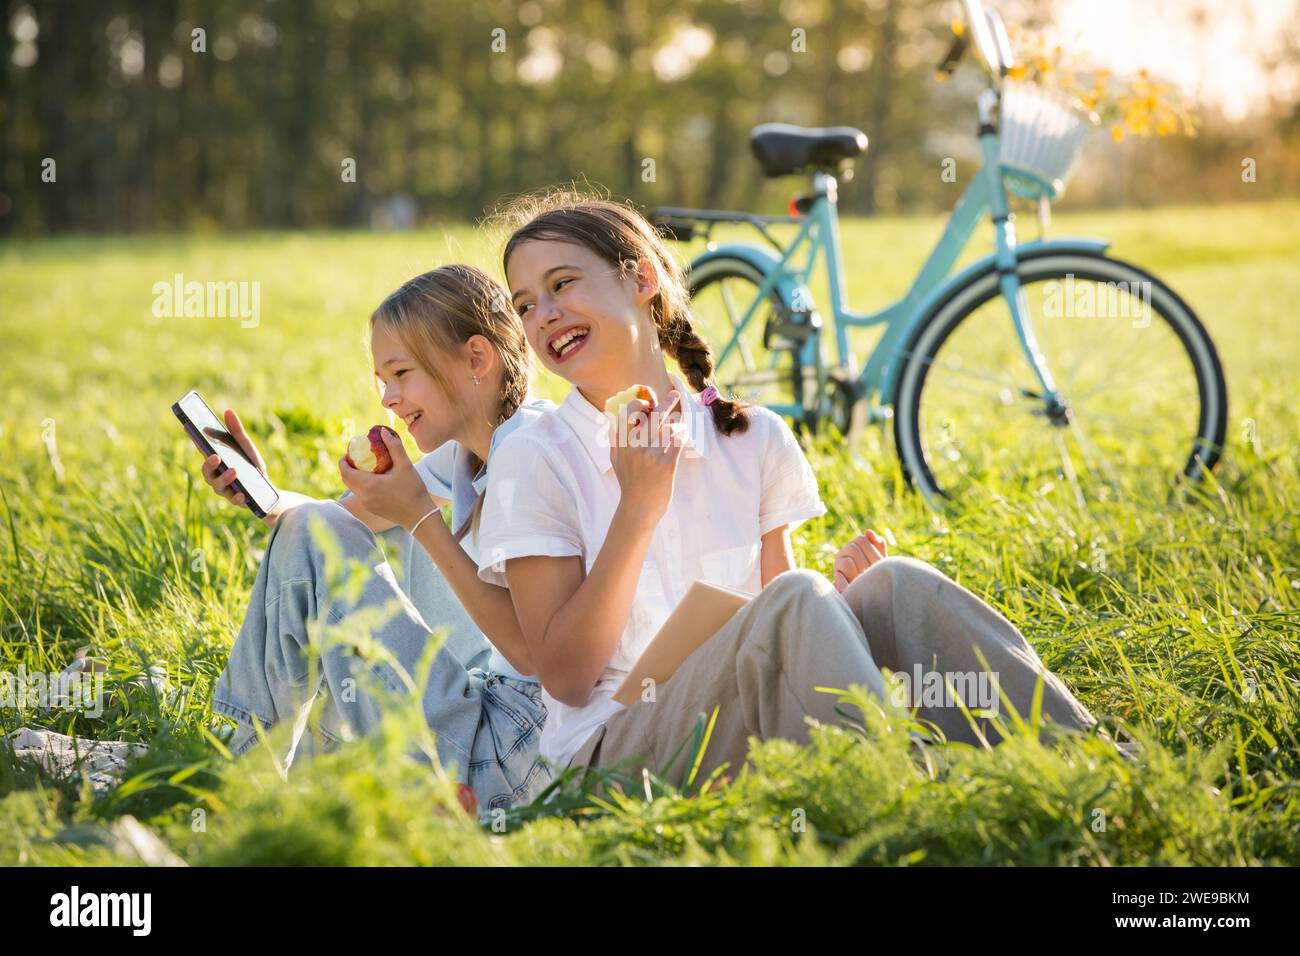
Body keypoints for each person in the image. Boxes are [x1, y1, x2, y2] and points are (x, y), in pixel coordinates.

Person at [476, 195, 1100, 784]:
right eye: (525, 304)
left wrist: (841, 612)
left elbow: (782, 612)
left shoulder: (753, 437)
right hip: (613, 755)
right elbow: (566, 677)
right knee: (801, 596)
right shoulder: (536, 457)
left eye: (562, 284)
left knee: (893, 587)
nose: (544, 315)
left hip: (744, 721)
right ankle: (896, 791)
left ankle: (1097, 767)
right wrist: (637, 510)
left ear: (642, 281)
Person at [206, 264, 553, 810]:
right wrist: (264, 494)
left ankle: (238, 774)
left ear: (476, 359)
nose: (388, 398)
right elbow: (336, 524)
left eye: (401, 373)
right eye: (381, 380)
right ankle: (261, 763)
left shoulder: (528, 453)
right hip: (505, 726)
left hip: (514, 753)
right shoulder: (473, 452)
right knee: (325, 527)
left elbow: (536, 652)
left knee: (403, 530)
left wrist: (418, 515)